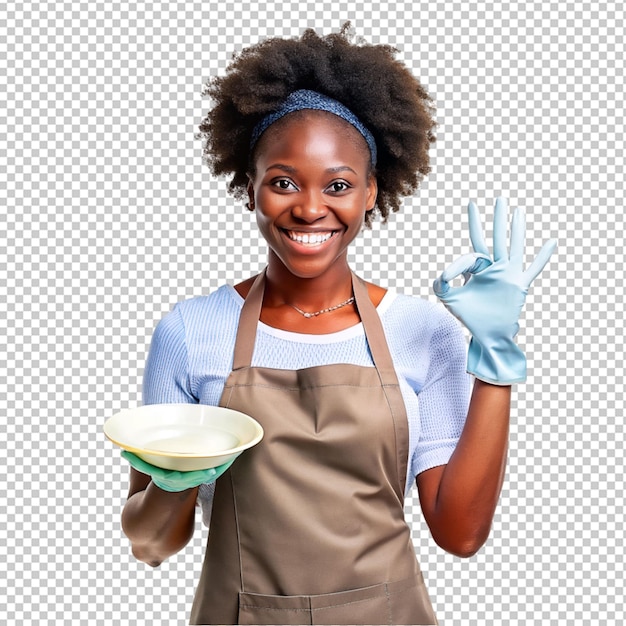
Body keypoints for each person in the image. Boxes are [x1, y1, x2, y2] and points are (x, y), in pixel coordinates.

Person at [120, 24, 555, 625]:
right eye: (283, 182)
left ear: (372, 191)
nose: (309, 207)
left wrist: (496, 359)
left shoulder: (422, 332)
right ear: (250, 189)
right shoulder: (190, 330)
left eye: (339, 185)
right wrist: (175, 478)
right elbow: (151, 545)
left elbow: (460, 534)